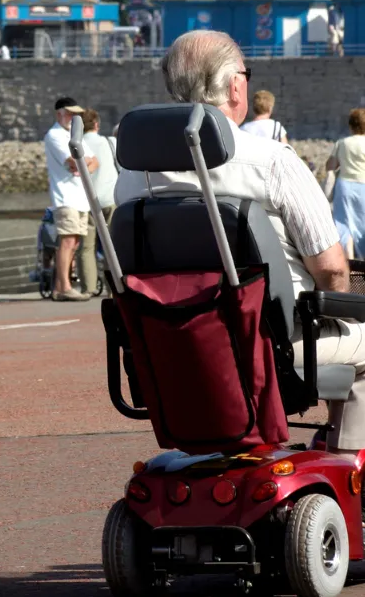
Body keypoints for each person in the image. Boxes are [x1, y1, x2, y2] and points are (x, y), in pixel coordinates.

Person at [115, 31, 362, 461]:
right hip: (275, 342)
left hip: (171, 341)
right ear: (234, 85)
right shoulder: (272, 162)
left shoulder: (133, 178)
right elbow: (332, 271)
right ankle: (347, 474)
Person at [44, 97, 98, 301]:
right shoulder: (55, 135)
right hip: (65, 196)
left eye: (76, 114)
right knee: (67, 242)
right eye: (70, 113)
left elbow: (94, 162)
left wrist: (82, 164)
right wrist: (82, 164)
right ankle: (64, 286)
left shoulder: (74, 135)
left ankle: (60, 287)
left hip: (79, 196)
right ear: (59, 113)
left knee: (74, 242)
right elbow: (74, 161)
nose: (74, 117)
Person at [80, 108, 118, 295]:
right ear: (96, 124)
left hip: (87, 202)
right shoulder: (109, 142)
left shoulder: (77, 145)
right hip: (109, 199)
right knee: (112, 246)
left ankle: (89, 288)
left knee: (87, 247)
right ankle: (114, 288)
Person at [325, 108, 365, 259]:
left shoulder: (342, 143)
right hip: (363, 185)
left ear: (351, 125)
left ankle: (349, 257)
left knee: (343, 222)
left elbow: (330, 165)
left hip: (345, 186)